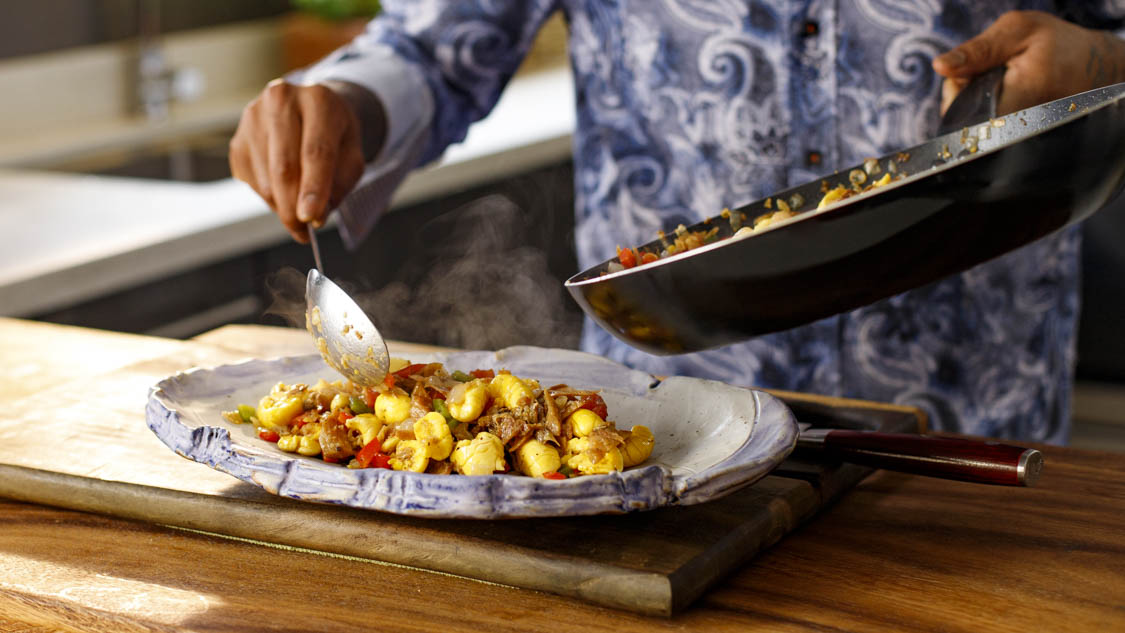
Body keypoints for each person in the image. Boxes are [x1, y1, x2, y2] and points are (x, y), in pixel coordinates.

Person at [230, 2, 1125, 444]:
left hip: (971, 404)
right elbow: (431, 44)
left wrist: (1106, 59)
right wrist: (347, 104)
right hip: (665, 423)